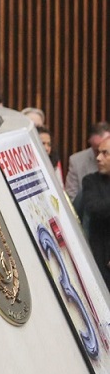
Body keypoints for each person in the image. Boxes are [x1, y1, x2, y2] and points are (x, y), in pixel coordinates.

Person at [74, 135, 110, 288]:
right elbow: (94, 209)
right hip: (101, 256)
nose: (98, 158)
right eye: (98, 152)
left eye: (105, 153)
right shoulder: (91, 181)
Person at [65, 122, 110, 200]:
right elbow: (71, 198)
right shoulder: (76, 161)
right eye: (96, 150)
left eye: (104, 152)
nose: (99, 157)